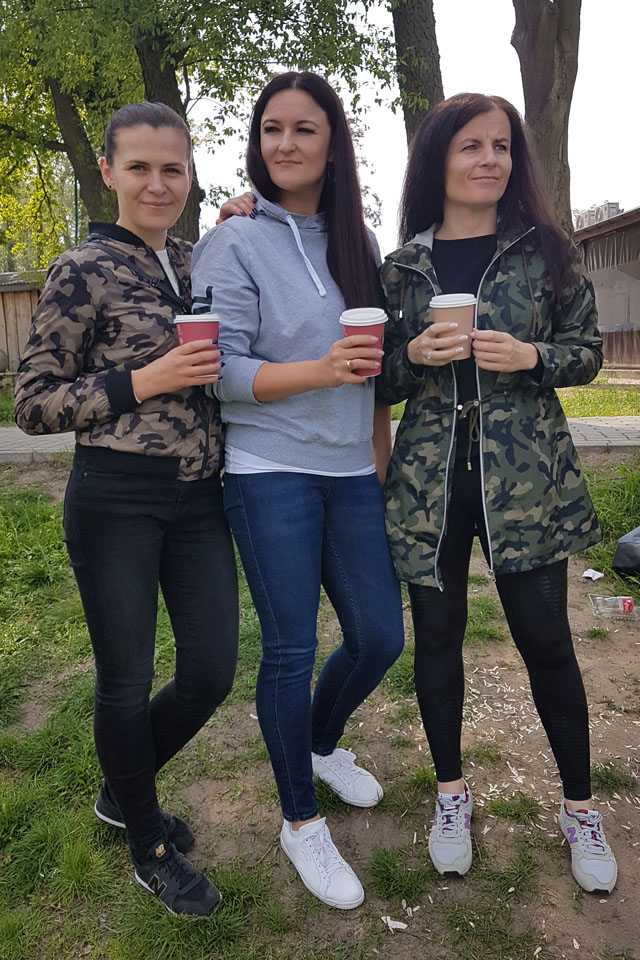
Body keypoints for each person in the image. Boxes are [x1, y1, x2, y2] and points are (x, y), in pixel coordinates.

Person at [375, 93, 618, 894]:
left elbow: (588, 352)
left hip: (525, 482)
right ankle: (451, 795)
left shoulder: (547, 251)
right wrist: (412, 354)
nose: (489, 159)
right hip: (431, 482)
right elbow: (379, 377)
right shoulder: (402, 266)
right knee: (437, 642)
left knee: (548, 643)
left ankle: (580, 808)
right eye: (471, 146)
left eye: (502, 146)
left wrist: (531, 357)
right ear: (438, 160)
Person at [14, 102, 239, 916]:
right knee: (126, 679)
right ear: (107, 171)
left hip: (200, 497)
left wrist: (246, 219)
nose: (156, 183)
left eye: (172, 168)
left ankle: (122, 790)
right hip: (117, 498)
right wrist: (144, 381)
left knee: (212, 670)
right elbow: (33, 402)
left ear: (190, 174)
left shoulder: (193, 259)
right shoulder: (81, 267)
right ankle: (148, 843)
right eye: (139, 167)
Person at [191, 71, 405, 910]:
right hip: (268, 469)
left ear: (333, 144)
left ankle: (317, 744)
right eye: (271, 128)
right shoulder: (235, 240)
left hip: (350, 471)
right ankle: (299, 820)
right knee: (289, 650)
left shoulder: (359, 242)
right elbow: (220, 373)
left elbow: (376, 377)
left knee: (379, 637)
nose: (285, 143)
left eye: (304, 128)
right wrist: (319, 370)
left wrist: (377, 463)